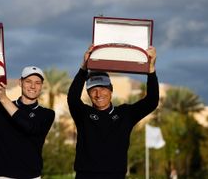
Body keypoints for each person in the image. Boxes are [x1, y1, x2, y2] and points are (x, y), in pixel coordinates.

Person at [67, 45, 159, 179]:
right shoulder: (83, 114)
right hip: (85, 175)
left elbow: (151, 101)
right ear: (88, 93)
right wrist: (84, 67)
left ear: (111, 90)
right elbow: (72, 98)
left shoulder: (125, 114)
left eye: (103, 88)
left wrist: (151, 69)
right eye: (93, 90)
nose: (99, 94)